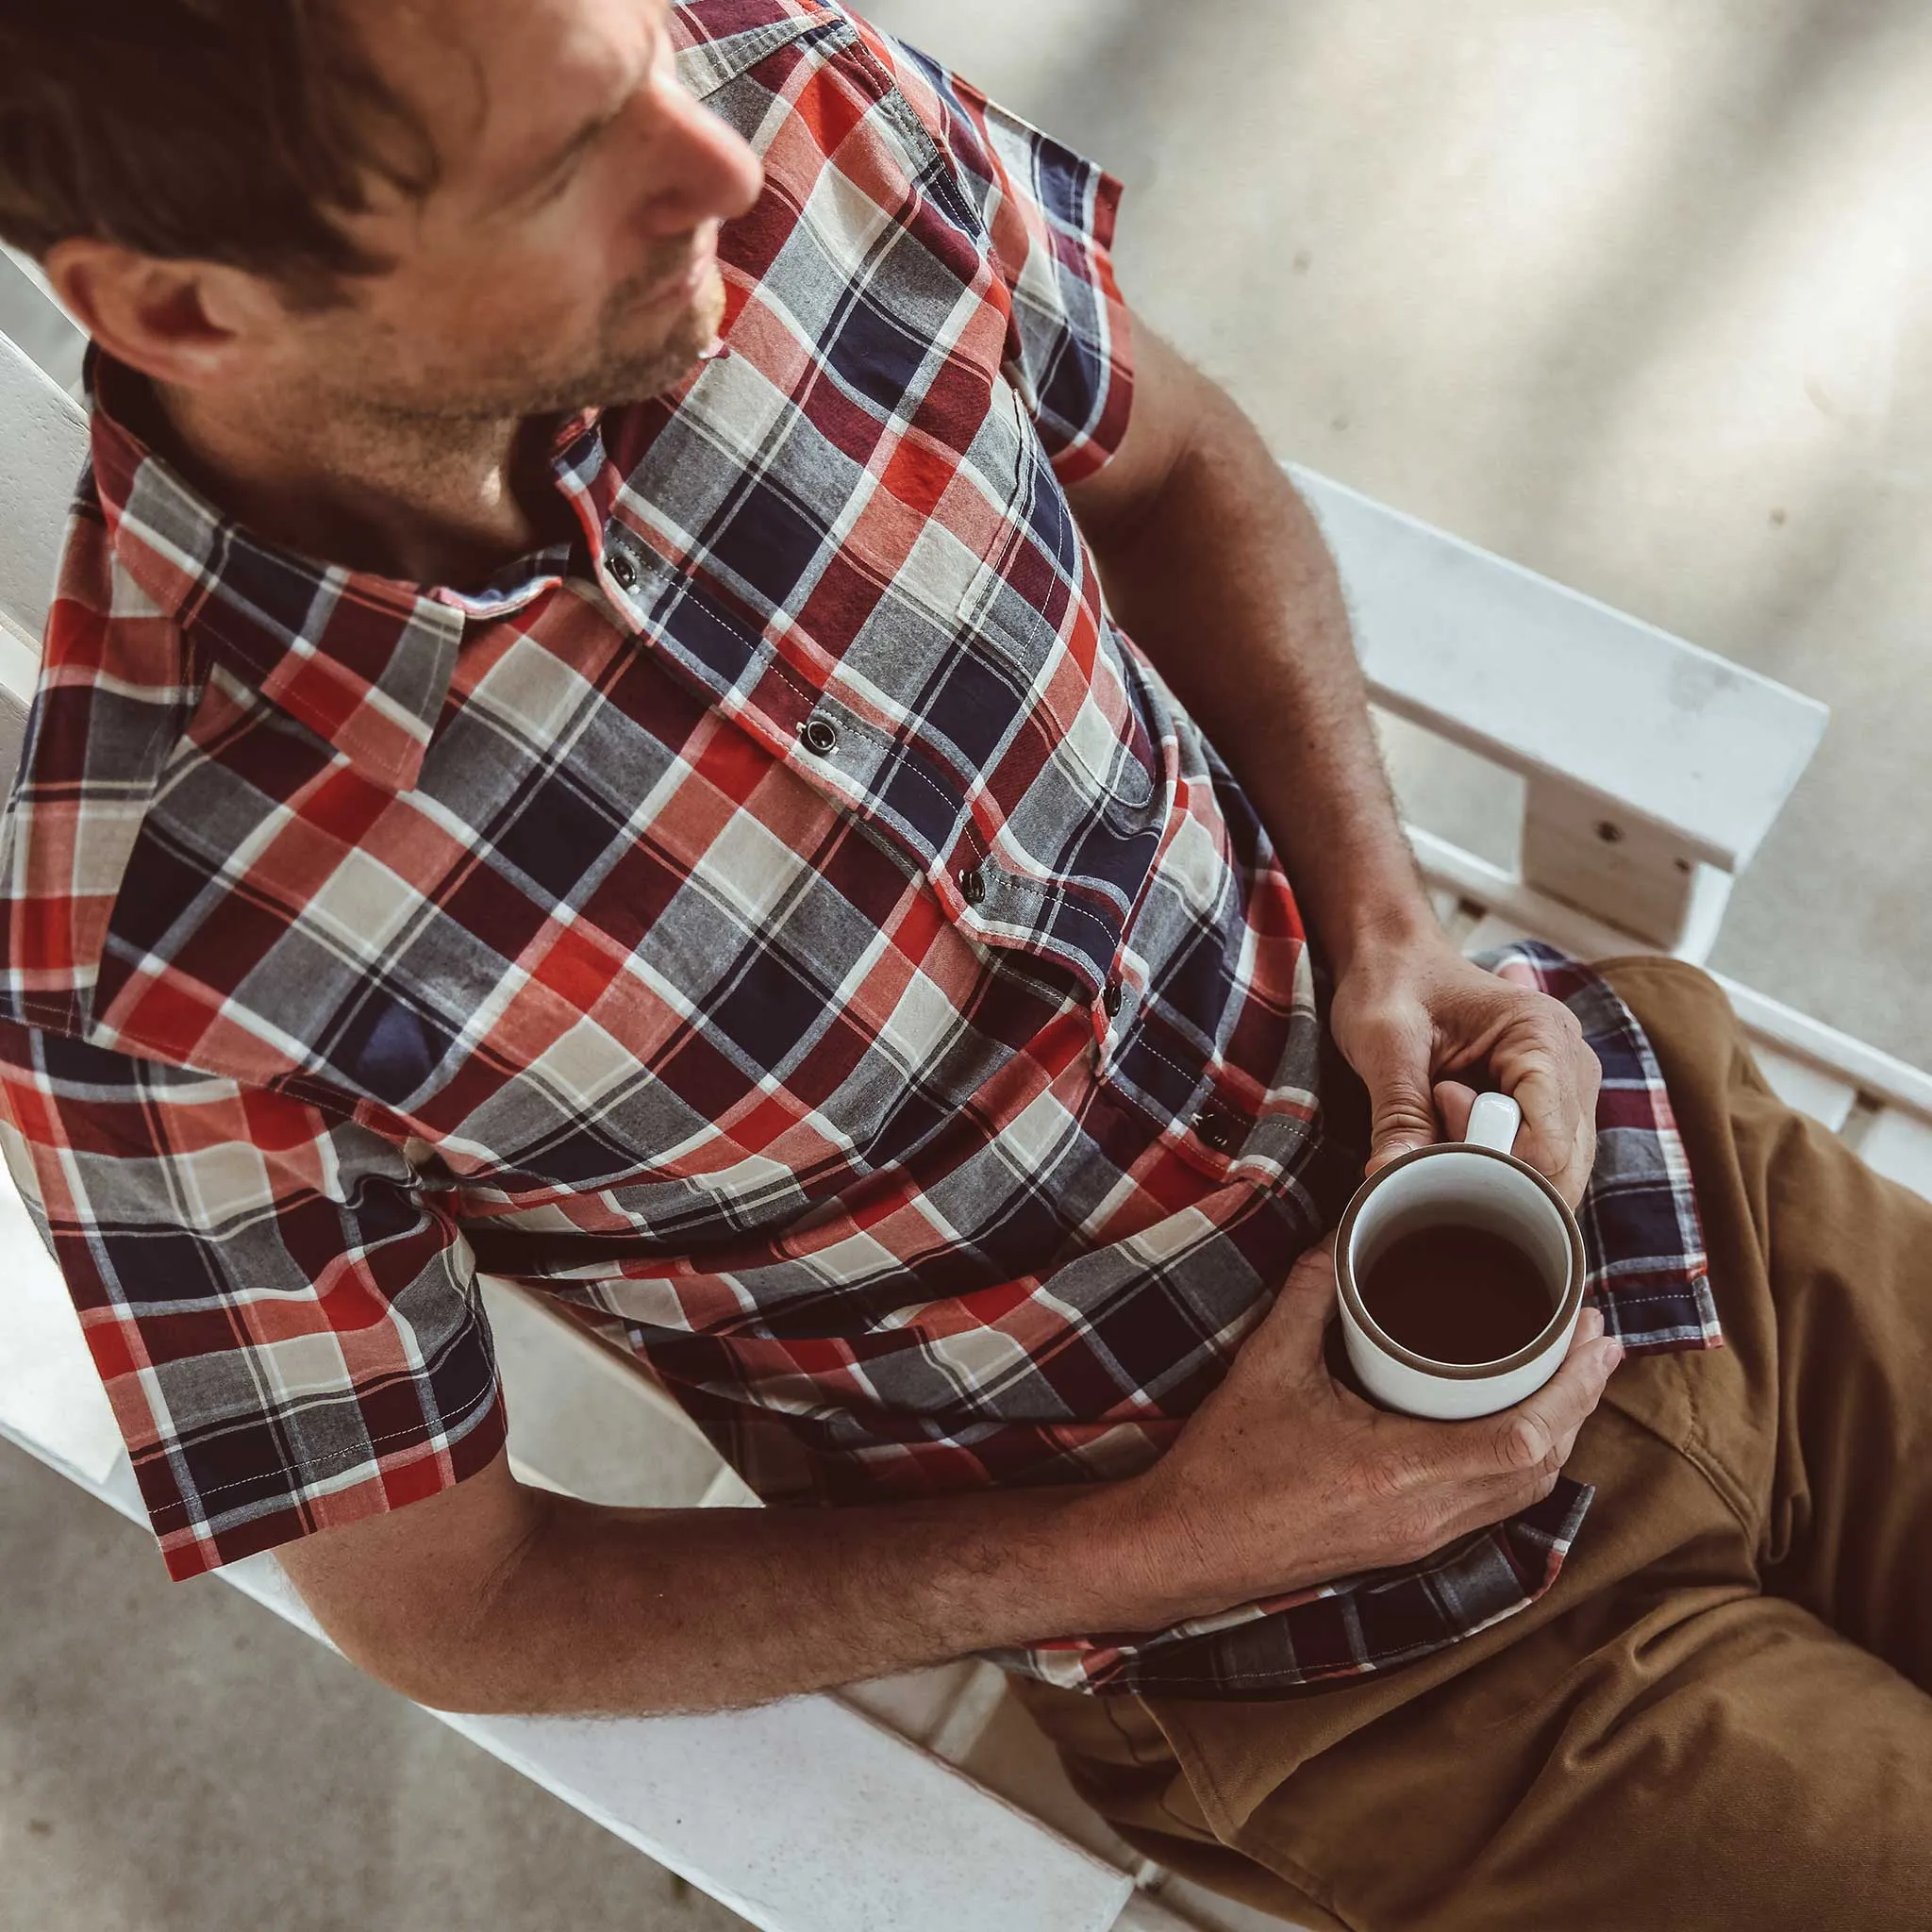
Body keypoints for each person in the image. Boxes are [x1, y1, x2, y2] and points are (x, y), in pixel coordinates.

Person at [0, 4, 1926, 1926]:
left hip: (1666, 1189)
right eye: (569, 159)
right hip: (1368, 1663)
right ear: (180, 313)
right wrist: (1160, 1543)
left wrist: (1385, 916)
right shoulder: (153, 965)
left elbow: (1165, 466)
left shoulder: (793, 104)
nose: (723, 161)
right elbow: (457, 1598)